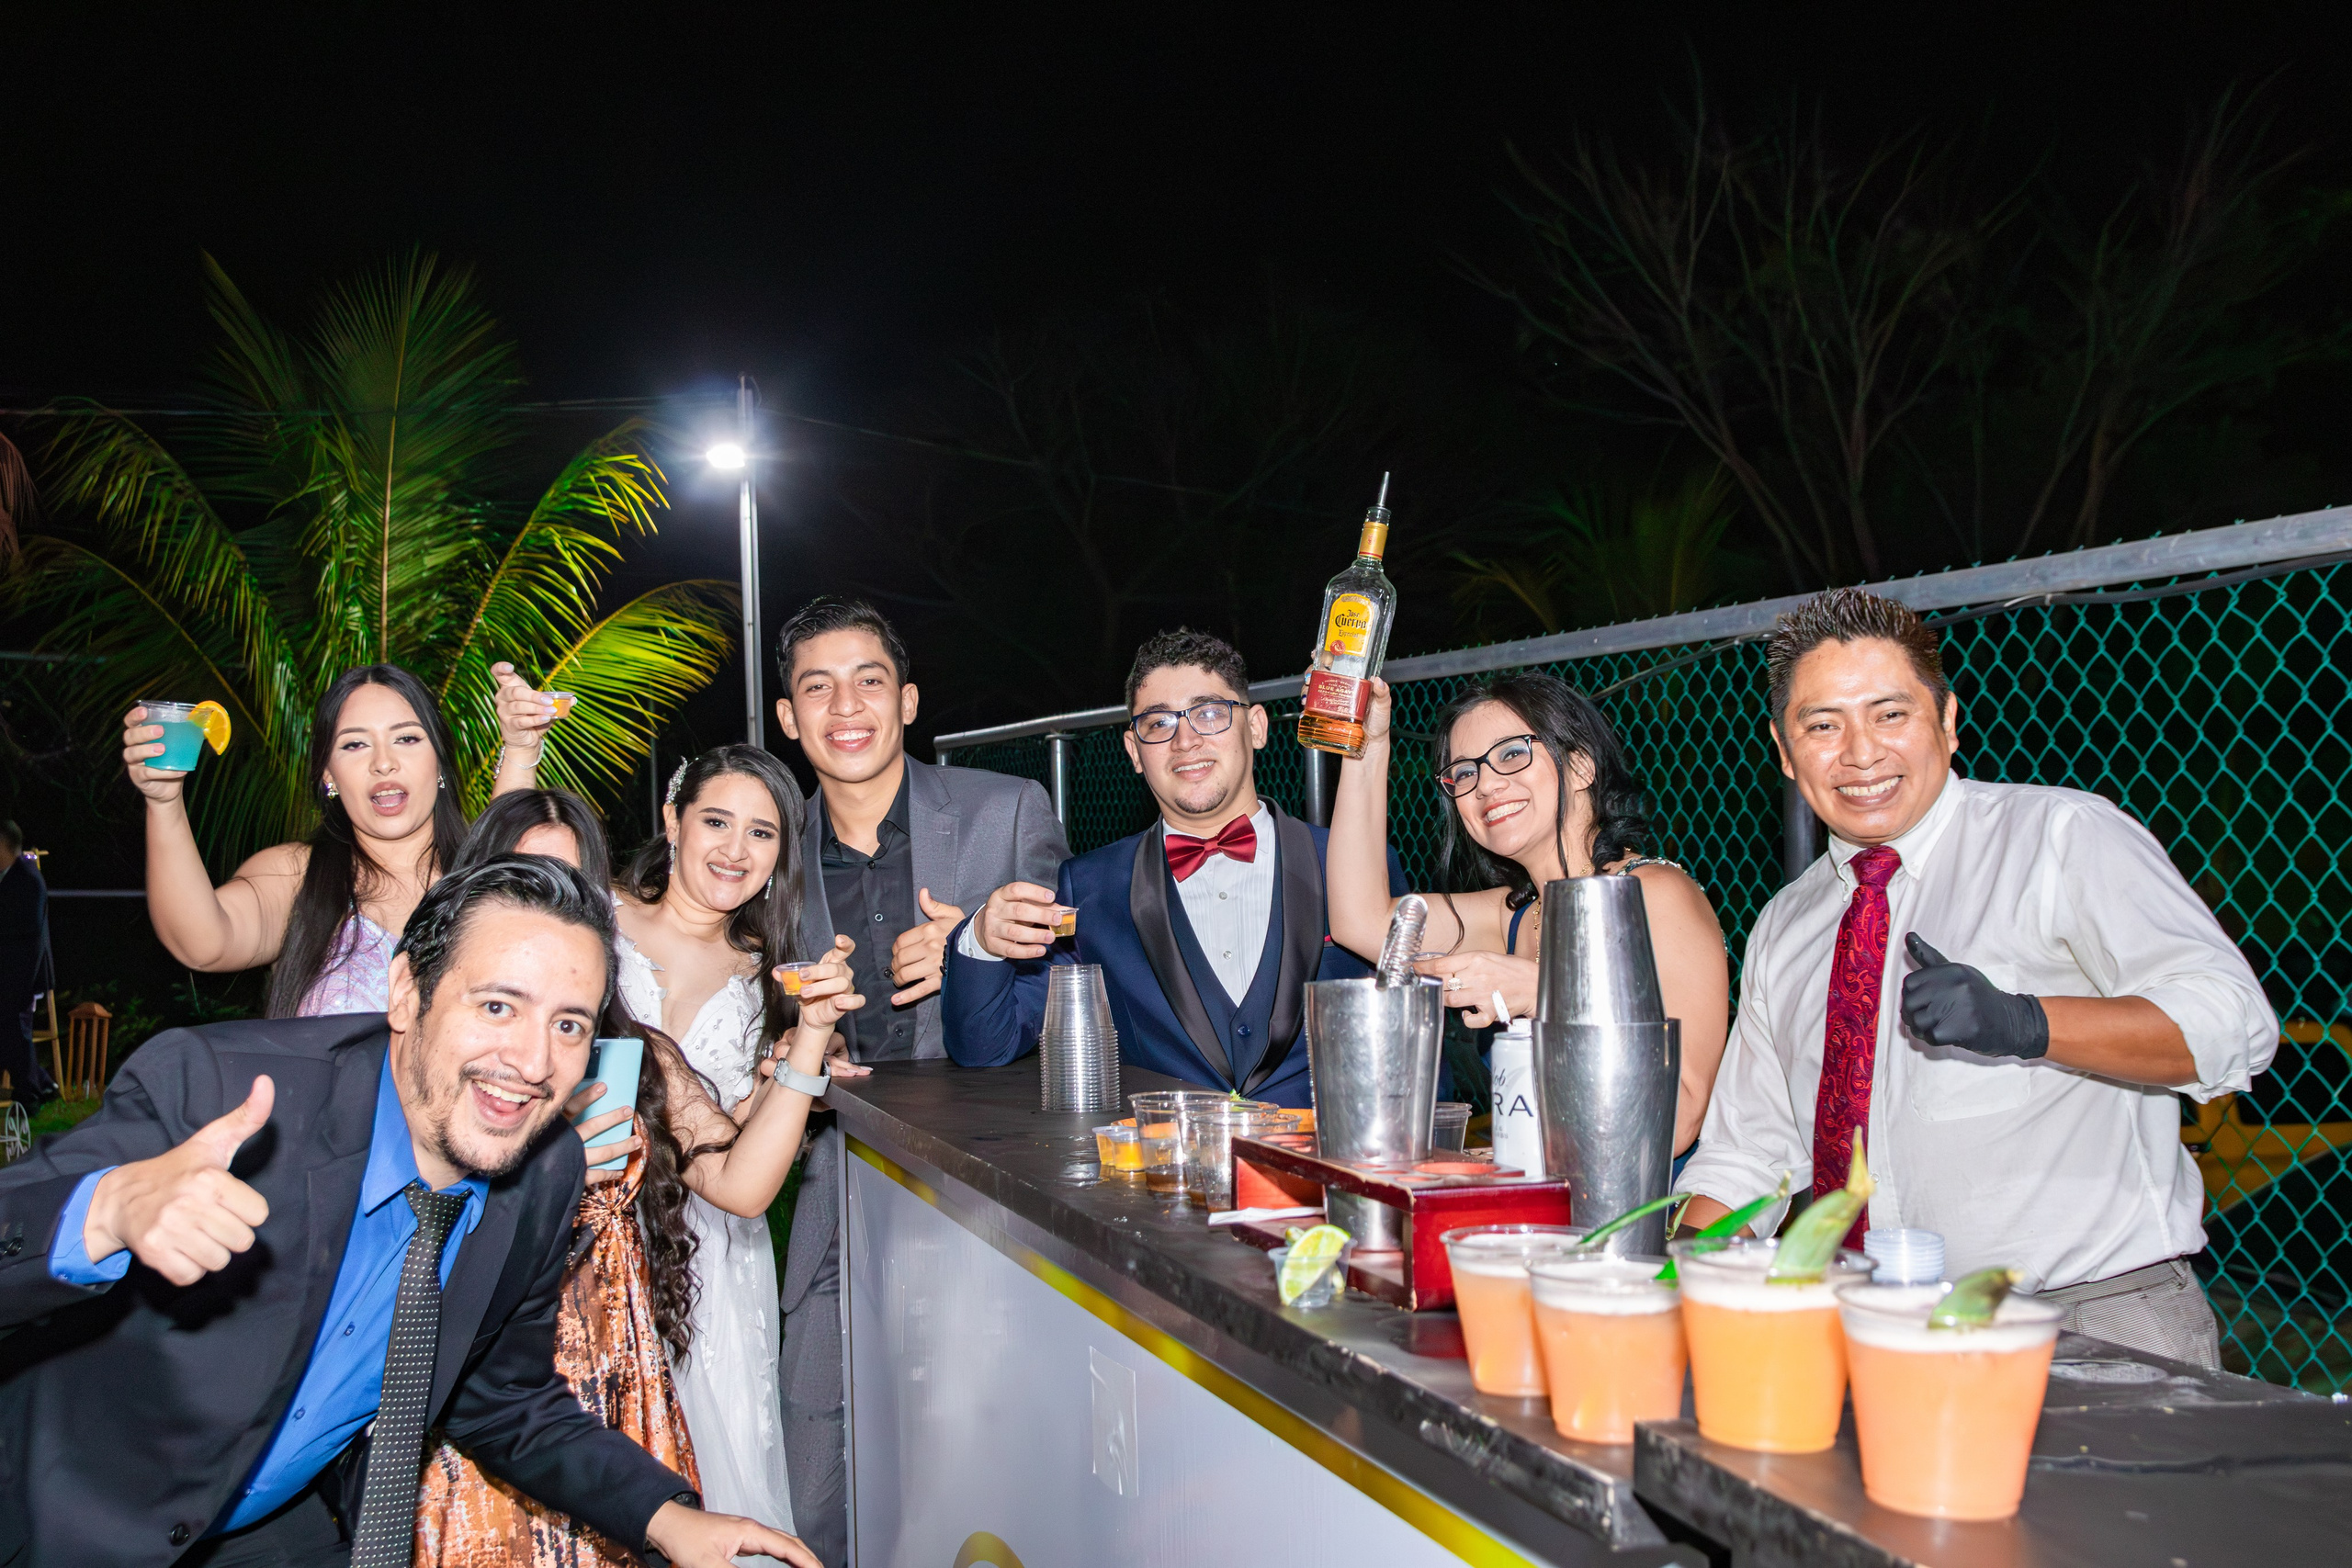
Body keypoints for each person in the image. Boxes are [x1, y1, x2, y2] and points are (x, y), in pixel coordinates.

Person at [0, 854, 812, 1568]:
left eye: (568, 1024)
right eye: (497, 1006)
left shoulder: (544, 1169)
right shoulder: (218, 1091)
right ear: (404, 990)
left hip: (270, 1526)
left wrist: (667, 1518)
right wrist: (102, 1212)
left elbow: (503, 1397)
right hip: (59, 1514)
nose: (531, 1062)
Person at [1673, 587, 2278, 1366]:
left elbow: (2235, 1021)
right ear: (1786, 752)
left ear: (1948, 721)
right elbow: (1749, 1148)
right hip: (1868, 1328)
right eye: (1823, 726)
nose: (1859, 752)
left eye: (1890, 714)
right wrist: (1678, 1273)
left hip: (2091, 1319)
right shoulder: (1787, 924)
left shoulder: (2061, 837)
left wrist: (2027, 1022)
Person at [417, 796, 858, 1567]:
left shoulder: (634, 1053)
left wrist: (812, 1034)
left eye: (573, 884)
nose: (549, 907)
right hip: (478, 1383)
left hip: (612, 1378)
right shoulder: (425, 1056)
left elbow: (742, 1184)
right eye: (525, 878)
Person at [770, 596, 1068, 1568]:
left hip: (988, 1188)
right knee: (816, 1453)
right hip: (827, 1183)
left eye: (866, 681)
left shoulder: (1004, 809)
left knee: (996, 1461)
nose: (843, 705)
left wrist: (976, 948)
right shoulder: (766, 850)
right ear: (787, 717)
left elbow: (1074, 971)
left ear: (905, 701)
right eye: (816, 686)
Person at [945, 627, 1403, 1106]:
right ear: (1134, 752)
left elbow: (1414, 1040)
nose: (1185, 740)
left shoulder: (1355, 865)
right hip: (1160, 1171)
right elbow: (986, 1046)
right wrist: (979, 941)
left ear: (1257, 728)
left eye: (1209, 713)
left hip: (1327, 1169)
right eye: (1159, 724)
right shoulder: (1089, 887)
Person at [1326, 673, 1731, 1152]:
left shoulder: (1653, 894)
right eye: (1464, 772)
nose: (1485, 786)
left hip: (1640, 1212)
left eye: (1512, 754)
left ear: (1581, 766)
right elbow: (1361, 920)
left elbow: (1678, 1117)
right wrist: (1367, 744)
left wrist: (1543, 994)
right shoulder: (1516, 914)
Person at [612, 745, 852, 1535]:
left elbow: (742, 1146)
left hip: (709, 1249)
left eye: (763, 833)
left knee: (713, 1474)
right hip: (590, 1230)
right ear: (673, 820)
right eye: (716, 821)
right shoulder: (594, 918)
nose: (735, 850)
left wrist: (801, 1063)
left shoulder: (768, 973)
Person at [125, 662, 555, 1017]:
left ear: (439, 761)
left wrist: (519, 748)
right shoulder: (295, 875)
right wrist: (163, 802)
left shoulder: (481, 877)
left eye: (406, 738)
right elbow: (202, 943)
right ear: (328, 774)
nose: (383, 763)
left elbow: (506, 844)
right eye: (354, 745)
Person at [0, 821, 57, 1103]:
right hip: (10, 970)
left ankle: (31, 1091)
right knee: (11, 1032)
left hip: (23, 971)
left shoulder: (27, 878)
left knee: (15, 1031)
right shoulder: (11, 877)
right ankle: (43, 1084)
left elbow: (28, 928)